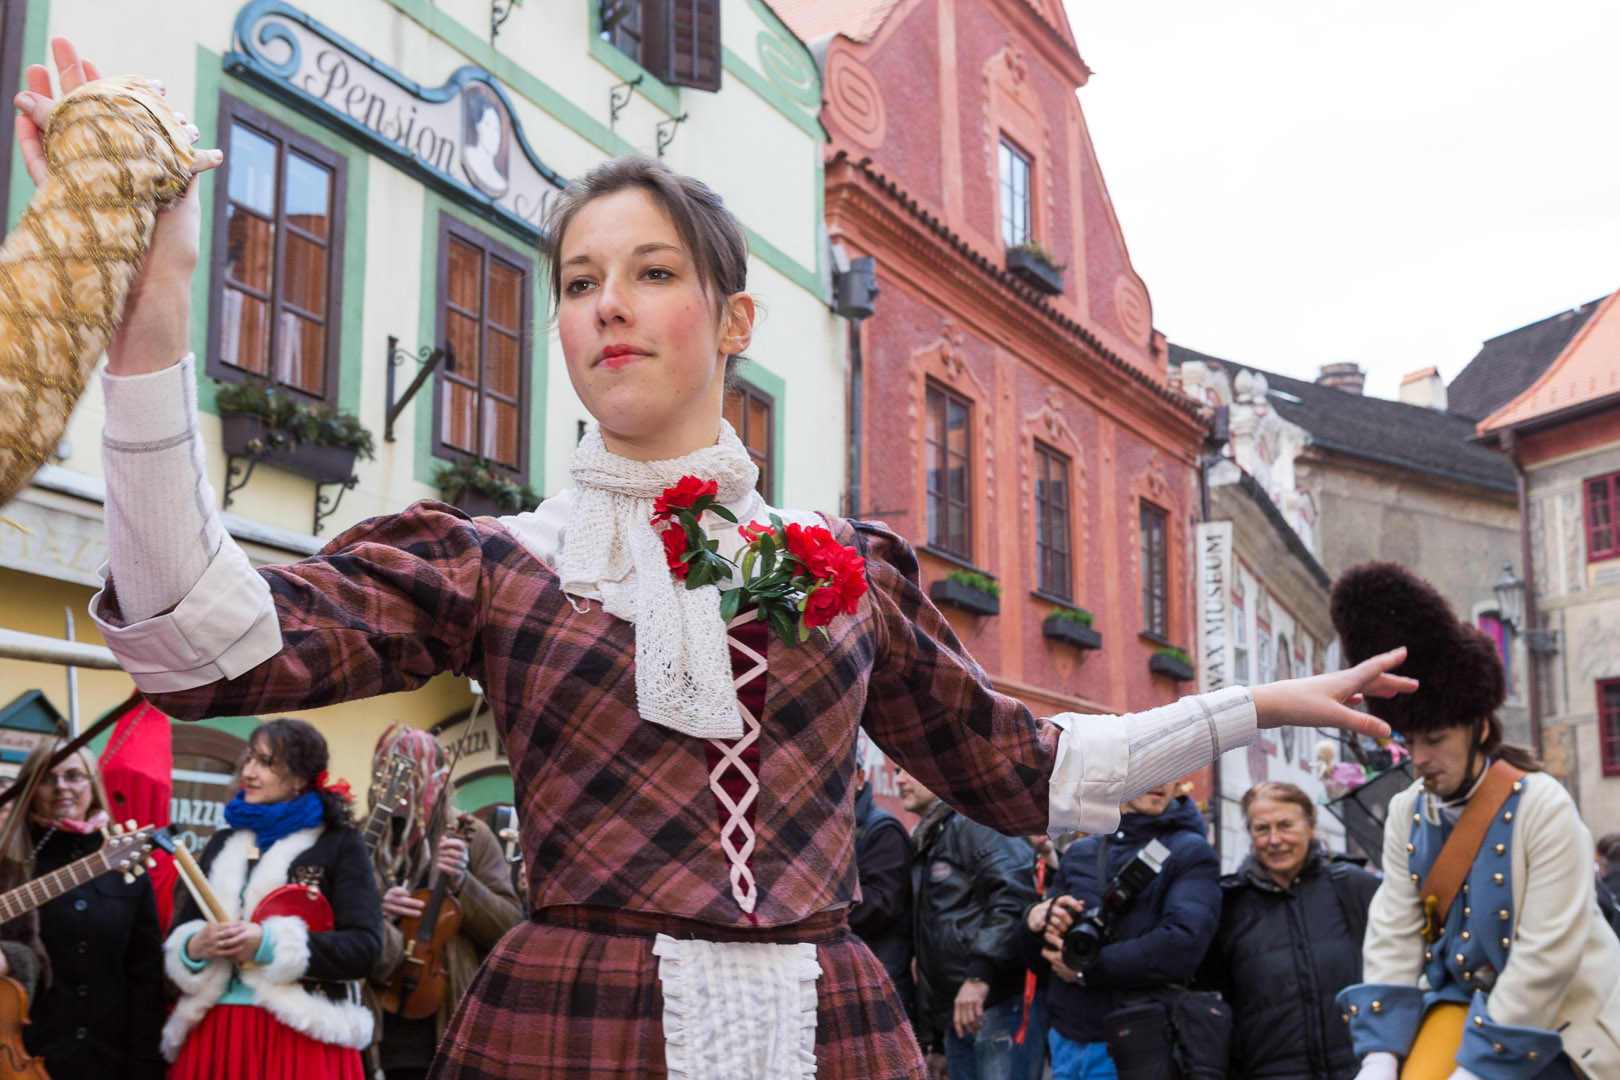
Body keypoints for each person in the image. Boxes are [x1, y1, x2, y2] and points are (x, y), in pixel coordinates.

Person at [18, 37, 1414, 1078]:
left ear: (735, 321)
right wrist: (146, 346)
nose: (606, 305)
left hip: (830, 1029)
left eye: (651, 272)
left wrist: (1259, 707)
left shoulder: (839, 571)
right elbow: (206, 644)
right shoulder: (499, 558)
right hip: (576, 1023)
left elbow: (1023, 769)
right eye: (576, 281)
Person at [1331, 562, 1620, 1080]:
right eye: (1409, 741)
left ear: (1479, 727)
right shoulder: (1406, 811)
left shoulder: (1543, 804)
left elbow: (1546, 957)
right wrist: (1379, 1056)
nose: (1418, 758)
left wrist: (1477, 1069)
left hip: (1561, 1023)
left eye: (1435, 739)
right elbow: (1394, 931)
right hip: (1462, 1006)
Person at [162, 718, 383, 1079]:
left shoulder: (340, 843)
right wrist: (193, 948)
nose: (247, 771)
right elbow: (182, 933)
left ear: (299, 777)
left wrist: (267, 945)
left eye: (265, 763)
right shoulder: (223, 841)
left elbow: (364, 948)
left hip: (302, 1035)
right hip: (216, 1032)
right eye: (248, 759)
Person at [1023, 782, 1220, 1080]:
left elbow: (1182, 944)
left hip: (1137, 1043)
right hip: (1066, 1040)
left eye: (1171, 774)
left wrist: (1086, 970)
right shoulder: (1079, 853)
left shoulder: (1190, 852)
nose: (1161, 783)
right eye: (1152, 771)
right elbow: (1040, 959)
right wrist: (1033, 923)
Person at [0, 740, 165, 1079]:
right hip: (22, 1053)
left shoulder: (126, 864)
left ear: (93, 784)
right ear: (30, 787)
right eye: (48, 778)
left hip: (110, 1056)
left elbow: (146, 976)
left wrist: (145, 1064)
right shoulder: (8, 866)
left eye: (74, 775)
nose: (62, 787)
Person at [367, 725, 524, 1080]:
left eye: (415, 776)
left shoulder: (471, 834)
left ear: (438, 780)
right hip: (372, 1022)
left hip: (444, 1022)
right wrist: (377, 911)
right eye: (391, 773)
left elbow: (509, 928)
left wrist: (462, 882)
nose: (403, 789)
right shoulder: (366, 835)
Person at [1199, 781, 1379, 1080]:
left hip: (1360, 1070)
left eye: (1285, 825)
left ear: (1310, 826)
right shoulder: (1228, 908)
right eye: (1261, 829)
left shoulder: (1353, 887)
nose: (1274, 839)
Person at [899, 768, 1042, 1080]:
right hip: (958, 1014)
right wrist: (935, 1038)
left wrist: (979, 975)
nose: (899, 780)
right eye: (897, 771)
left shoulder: (977, 822)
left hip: (994, 1003)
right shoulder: (934, 833)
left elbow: (1013, 897)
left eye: (908, 770)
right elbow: (929, 942)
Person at [850, 734, 913, 1009]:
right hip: (851, 974)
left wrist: (821, 896)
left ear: (860, 777)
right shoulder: (832, 830)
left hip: (878, 979)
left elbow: (882, 906)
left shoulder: (883, 830)